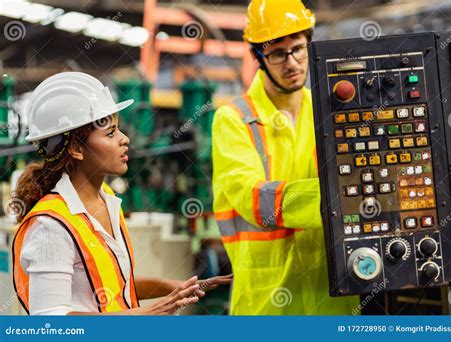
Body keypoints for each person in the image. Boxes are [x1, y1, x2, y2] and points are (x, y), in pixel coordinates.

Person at [12, 72, 232, 315]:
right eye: (110, 133)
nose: (125, 139)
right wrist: (146, 313)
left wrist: (174, 288)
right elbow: (49, 324)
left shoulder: (105, 200)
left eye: (119, 130)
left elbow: (113, 285)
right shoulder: (51, 226)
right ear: (76, 148)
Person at [211, 0, 359, 315]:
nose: (291, 63)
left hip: (333, 298)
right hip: (268, 301)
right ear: (258, 57)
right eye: (278, 53)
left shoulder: (329, 109)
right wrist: (343, 198)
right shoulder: (234, 118)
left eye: (299, 49)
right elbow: (251, 196)